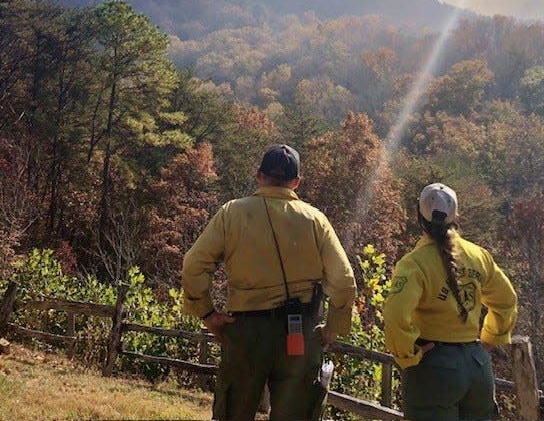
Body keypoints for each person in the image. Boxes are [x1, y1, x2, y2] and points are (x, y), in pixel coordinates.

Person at [182, 144, 356, 421]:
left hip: (246, 331)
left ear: (259, 175)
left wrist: (207, 313)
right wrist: (332, 328)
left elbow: (193, 265)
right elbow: (345, 281)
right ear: (296, 182)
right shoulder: (316, 220)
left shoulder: (232, 213)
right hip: (300, 332)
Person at [384, 183, 517, 421]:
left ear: (419, 214)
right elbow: (506, 300)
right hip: (477, 366)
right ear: (455, 215)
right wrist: (489, 340)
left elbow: (395, 314)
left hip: (433, 368)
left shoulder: (414, 263)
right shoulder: (478, 256)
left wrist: (408, 354)